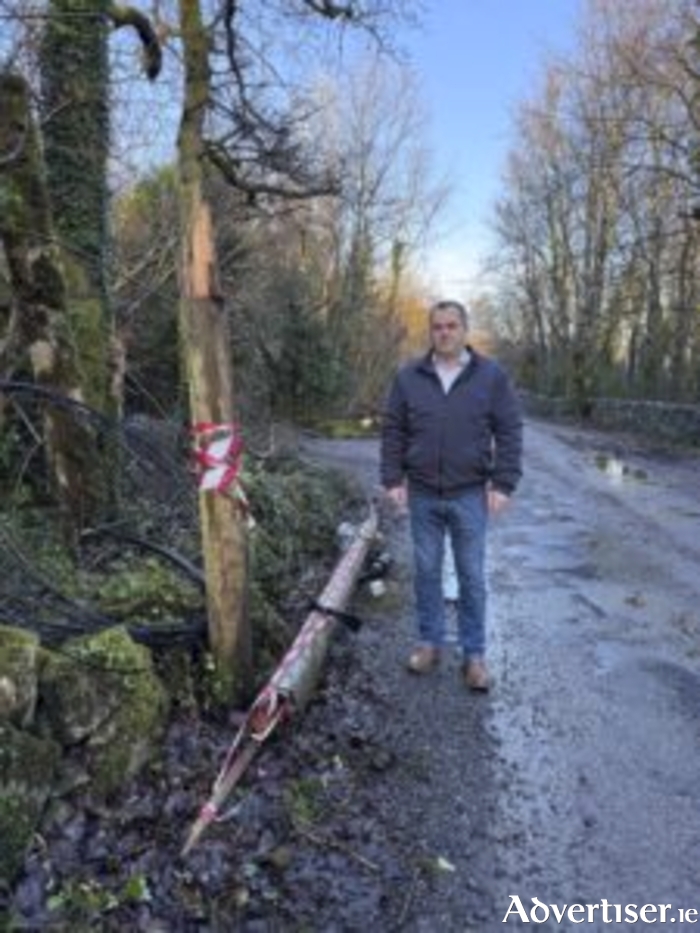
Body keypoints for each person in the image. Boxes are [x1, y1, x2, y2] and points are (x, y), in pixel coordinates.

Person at [380, 299, 523, 691]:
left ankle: (474, 655)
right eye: (438, 326)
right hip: (423, 493)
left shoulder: (490, 376)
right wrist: (393, 478)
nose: (444, 332)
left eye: (452, 326)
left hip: (469, 494)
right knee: (426, 572)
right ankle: (429, 643)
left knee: (472, 576)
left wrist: (503, 483)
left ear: (465, 330)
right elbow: (394, 429)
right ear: (431, 332)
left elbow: (509, 430)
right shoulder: (409, 377)